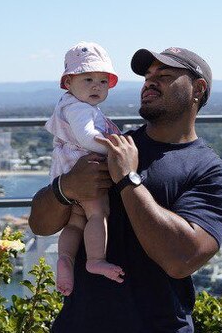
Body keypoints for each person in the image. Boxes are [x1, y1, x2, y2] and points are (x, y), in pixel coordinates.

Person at [29, 47, 222, 332]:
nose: (150, 82)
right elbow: (40, 225)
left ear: (198, 89)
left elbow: (181, 259)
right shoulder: (111, 145)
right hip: (78, 323)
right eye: (147, 76)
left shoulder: (212, 172)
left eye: (164, 75)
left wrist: (128, 178)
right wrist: (66, 188)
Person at [45, 42, 125, 296]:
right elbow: (86, 137)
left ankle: (66, 258)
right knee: (97, 214)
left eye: (103, 81)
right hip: (85, 170)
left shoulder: (68, 104)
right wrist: (114, 149)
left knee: (76, 221)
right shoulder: (80, 109)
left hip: (66, 172)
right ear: (68, 82)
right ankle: (95, 260)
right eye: (88, 78)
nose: (96, 86)